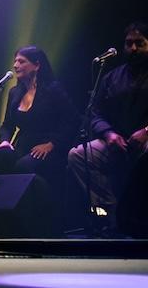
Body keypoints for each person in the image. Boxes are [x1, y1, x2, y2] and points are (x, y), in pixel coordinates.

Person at [68, 21, 148, 232]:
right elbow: (96, 113)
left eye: (139, 43)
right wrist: (109, 134)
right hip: (119, 142)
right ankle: (114, 214)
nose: (133, 48)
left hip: (145, 143)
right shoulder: (112, 77)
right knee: (78, 155)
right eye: (129, 43)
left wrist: (146, 132)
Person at [0, 46, 76, 182]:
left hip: (48, 147)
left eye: (21, 61)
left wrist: (52, 144)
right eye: (15, 61)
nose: (15, 65)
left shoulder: (53, 90)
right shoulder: (14, 92)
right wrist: (4, 141)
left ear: (36, 65)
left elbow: (73, 121)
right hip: (23, 146)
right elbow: (7, 125)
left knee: (23, 167)